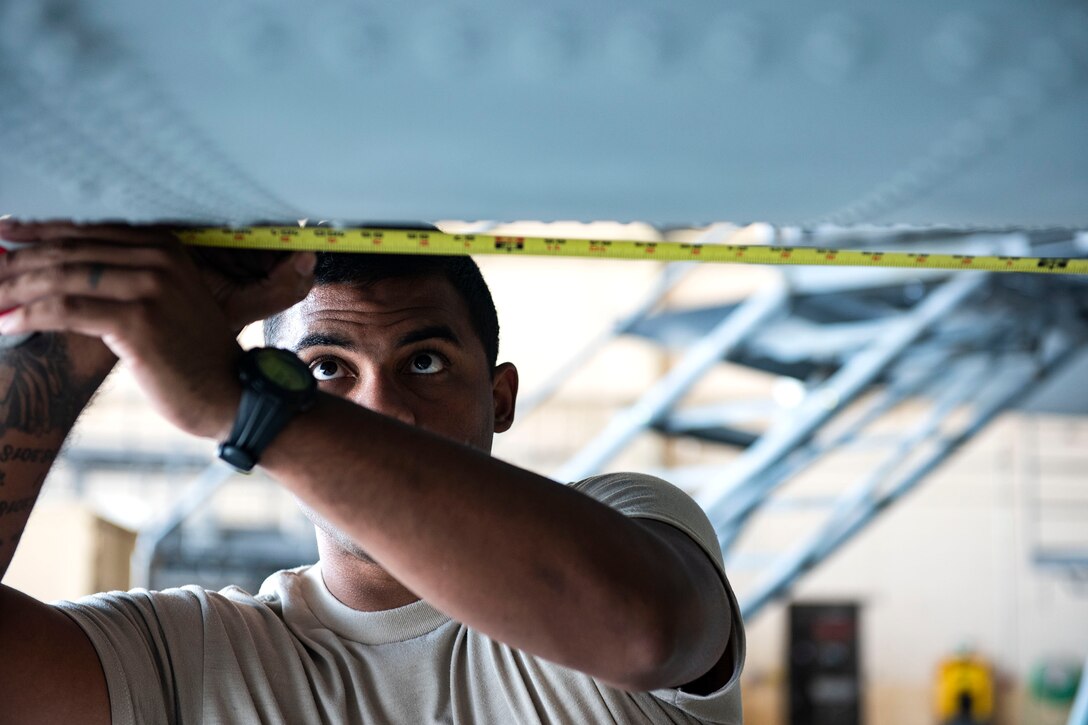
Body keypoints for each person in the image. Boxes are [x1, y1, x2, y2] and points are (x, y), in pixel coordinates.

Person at [0, 219, 745, 724]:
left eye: (424, 363)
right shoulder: (185, 655)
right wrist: (74, 336)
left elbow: (643, 632)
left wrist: (255, 409)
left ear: (500, 398)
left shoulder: (626, 523)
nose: (383, 410)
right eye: (327, 368)